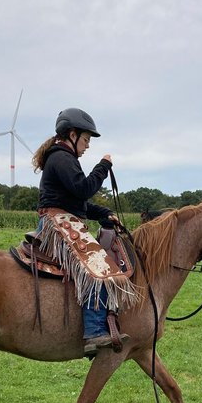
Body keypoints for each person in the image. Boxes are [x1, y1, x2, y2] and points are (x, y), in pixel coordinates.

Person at [31, 107, 136, 356]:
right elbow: (83, 188)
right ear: (72, 134)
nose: (87, 146)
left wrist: (102, 213)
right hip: (56, 222)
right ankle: (94, 331)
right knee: (98, 267)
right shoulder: (61, 157)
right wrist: (103, 166)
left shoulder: (62, 158)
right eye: (86, 139)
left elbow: (78, 202)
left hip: (64, 217)